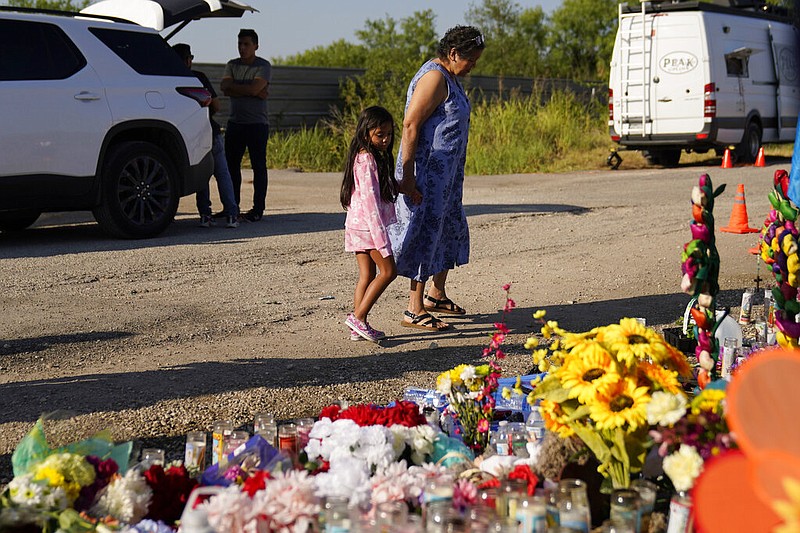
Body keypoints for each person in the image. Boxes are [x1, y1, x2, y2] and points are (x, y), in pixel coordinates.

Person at [388, 26, 485, 332]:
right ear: (454, 53)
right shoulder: (434, 78)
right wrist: (406, 175)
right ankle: (413, 309)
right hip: (426, 175)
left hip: (447, 177)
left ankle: (435, 295)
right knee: (426, 232)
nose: (473, 66)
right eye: (471, 59)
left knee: (448, 228)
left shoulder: (450, 77)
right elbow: (410, 125)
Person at [341, 106, 399, 342]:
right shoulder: (366, 160)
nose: (385, 139)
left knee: (367, 275)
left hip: (357, 226)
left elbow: (379, 190)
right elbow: (371, 204)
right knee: (389, 271)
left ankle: (358, 326)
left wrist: (404, 187)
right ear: (366, 134)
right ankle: (358, 317)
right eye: (379, 135)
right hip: (368, 229)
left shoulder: (367, 157)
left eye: (388, 134)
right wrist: (382, 240)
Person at [172, 43, 239, 229]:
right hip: (210, 130)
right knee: (222, 174)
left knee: (202, 174)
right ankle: (232, 214)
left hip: (190, 136)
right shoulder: (198, 78)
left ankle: (205, 215)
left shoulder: (168, 80)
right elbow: (216, 105)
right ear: (188, 60)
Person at [220, 29, 271, 222]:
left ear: (256, 46)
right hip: (235, 124)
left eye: (246, 44)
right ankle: (232, 207)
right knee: (231, 167)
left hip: (257, 124)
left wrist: (240, 89)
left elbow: (255, 88)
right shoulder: (232, 65)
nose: (242, 47)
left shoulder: (263, 65)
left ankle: (257, 209)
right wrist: (252, 91)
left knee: (259, 167)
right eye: (240, 43)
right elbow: (224, 87)